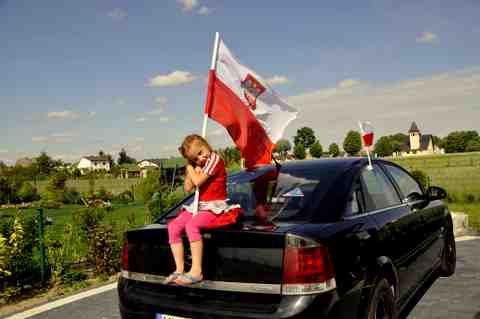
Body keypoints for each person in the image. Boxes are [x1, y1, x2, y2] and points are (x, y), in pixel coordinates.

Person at [164, 134, 234, 286]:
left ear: (206, 145)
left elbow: (198, 181)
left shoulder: (215, 159)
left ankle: (196, 271)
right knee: (173, 227)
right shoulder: (199, 165)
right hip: (200, 205)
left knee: (192, 225)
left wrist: (190, 166)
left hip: (214, 207)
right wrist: (192, 168)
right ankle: (179, 269)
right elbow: (188, 187)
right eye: (195, 158)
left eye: (201, 152)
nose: (201, 158)